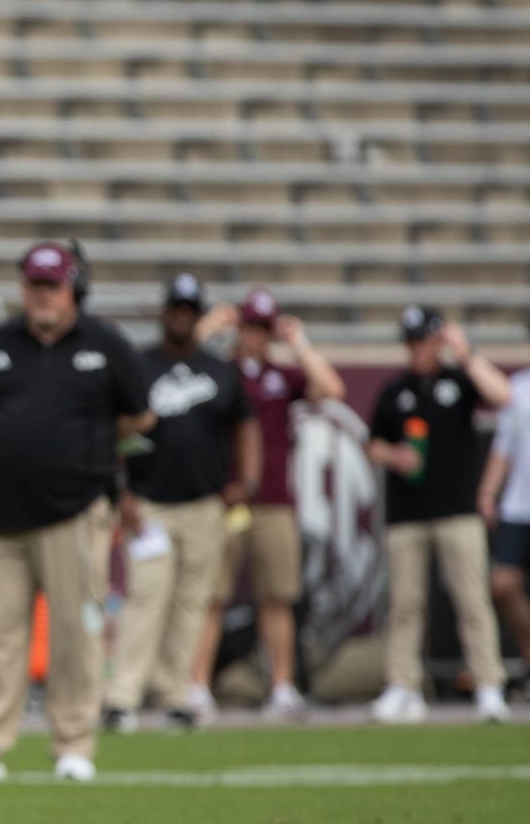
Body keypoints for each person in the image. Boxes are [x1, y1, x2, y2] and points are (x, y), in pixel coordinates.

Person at [0, 241, 152, 783]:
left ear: (72, 289)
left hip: (76, 511)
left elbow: (139, 414)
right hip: (3, 513)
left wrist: (87, 449)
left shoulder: (105, 344)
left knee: (75, 634)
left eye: (52, 285)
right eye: (34, 284)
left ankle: (74, 744)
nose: (42, 295)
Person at [103, 275, 255, 731]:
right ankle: (123, 695)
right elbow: (115, 430)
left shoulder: (220, 369)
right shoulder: (139, 365)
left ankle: (174, 690)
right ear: (164, 312)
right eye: (176, 308)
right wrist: (122, 492)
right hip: (151, 502)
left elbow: (244, 425)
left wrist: (245, 480)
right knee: (146, 596)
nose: (182, 316)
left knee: (192, 601)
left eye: (191, 310)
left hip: (205, 503)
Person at [193, 289, 344, 718]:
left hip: (274, 499)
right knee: (211, 596)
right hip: (225, 497)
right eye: (248, 326)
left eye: (263, 328)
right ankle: (198, 684)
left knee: (277, 596)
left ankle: (281, 685)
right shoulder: (220, 372)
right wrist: (208, 329)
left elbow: (332, 387)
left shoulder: (281, 377)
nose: (255, 336)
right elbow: (181, 365)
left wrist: (299, 343)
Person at [367, 306, 512, 724]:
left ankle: (488, 685)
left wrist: (466, 354)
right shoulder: (396, 391)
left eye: (422, 340)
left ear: (438, 340)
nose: (415, 350)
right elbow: (373, 442)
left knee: (472, 600)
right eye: (409, 341)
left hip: (457, 510)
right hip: (407, 514)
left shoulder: (460, 381)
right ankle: (403, 686)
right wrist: (394, 456)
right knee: (405, 604)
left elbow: (502, 395)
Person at [483, 326, 530, 692]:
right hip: (519, 506)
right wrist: (488, 491)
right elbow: (504, 448)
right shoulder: (518, 389)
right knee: (503, 585)